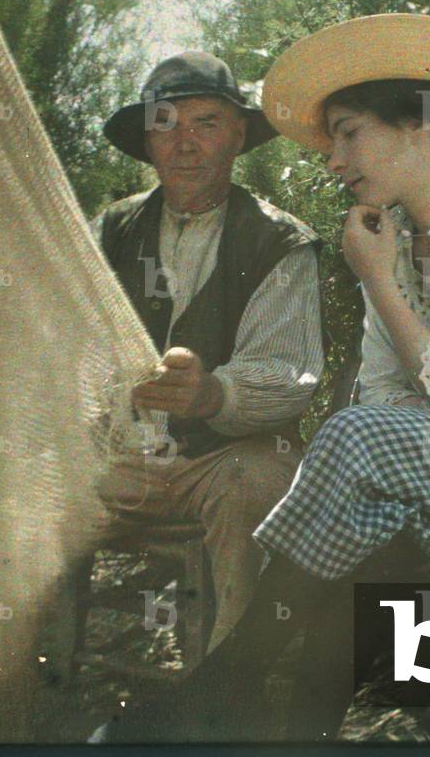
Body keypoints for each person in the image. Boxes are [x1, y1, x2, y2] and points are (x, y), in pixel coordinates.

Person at [93, 16, 430, 743]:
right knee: (354, 540)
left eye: (347, 133)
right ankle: (278, 726)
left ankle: (219, 690)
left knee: (359, 452)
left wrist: (380, 286)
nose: (334, 161)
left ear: (418, 124)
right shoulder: (390, 239)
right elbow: (393, 399)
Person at [90, 51, 325, 655]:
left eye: (207, 123)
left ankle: (230, 691)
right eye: (166, 123)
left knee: (260, 480)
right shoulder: (108, 231)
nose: (185, 143)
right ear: (147, 140)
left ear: (239, 134)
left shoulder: (279, 239)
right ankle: (10, 702)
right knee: (18, 487)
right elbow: (69, 349)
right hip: (122, 459)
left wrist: (214, 393)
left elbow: (290, 373)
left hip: (219, 462)